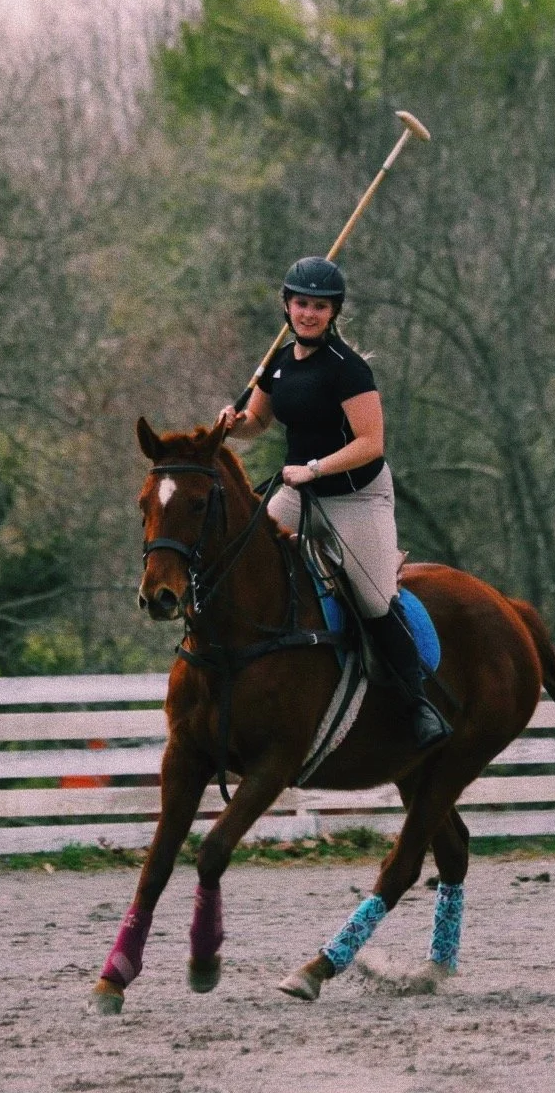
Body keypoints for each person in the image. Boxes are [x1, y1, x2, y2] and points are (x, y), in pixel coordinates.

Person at [217, 256, 450, 749]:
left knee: (372, 597)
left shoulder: (348, 370)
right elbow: (257, 422)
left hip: (356, 497)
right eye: (301, 303)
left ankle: (418, 703)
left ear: (333, 312)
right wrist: (233, 425)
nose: (308, 314)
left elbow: (371, 442)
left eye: (319, 307)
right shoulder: (278, 364)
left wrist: (315, 469)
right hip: (300, 494)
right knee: (244, 555)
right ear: (287, 305)